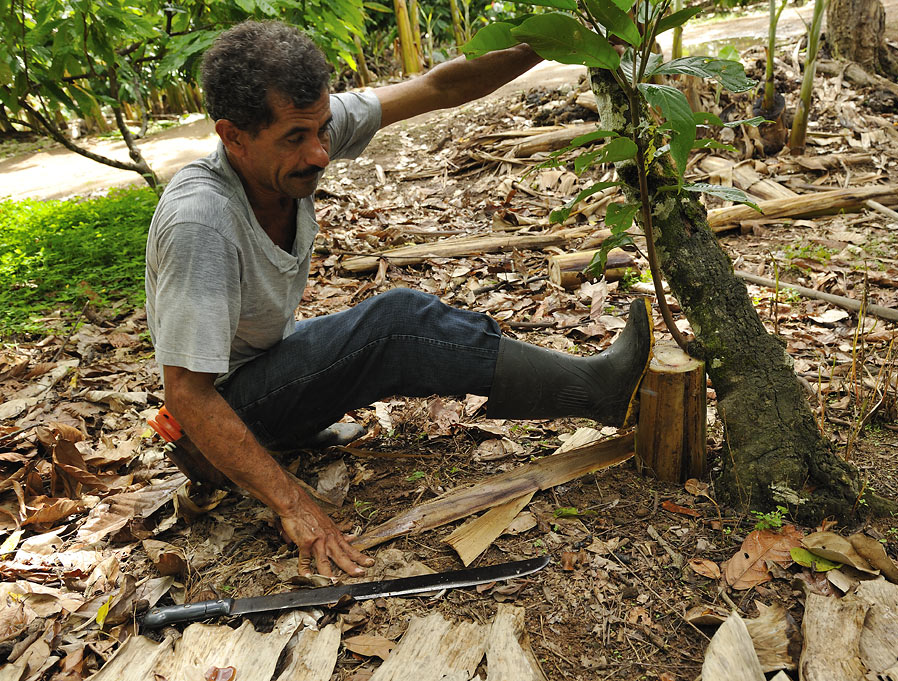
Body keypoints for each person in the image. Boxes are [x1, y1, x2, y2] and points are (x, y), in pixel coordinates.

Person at [145, 20, 652, 579]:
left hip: (262, 372)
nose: (318, 153)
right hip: (216, 416)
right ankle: (600, 391)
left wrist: (558, 43)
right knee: (397, 326)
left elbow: (440, 88)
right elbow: (188, 393)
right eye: (295, 138)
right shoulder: (201, 220)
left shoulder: (305, 129)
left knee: (385, 329)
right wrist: (293, 502)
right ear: (233, 135)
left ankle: (296, 427)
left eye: (322, 131)